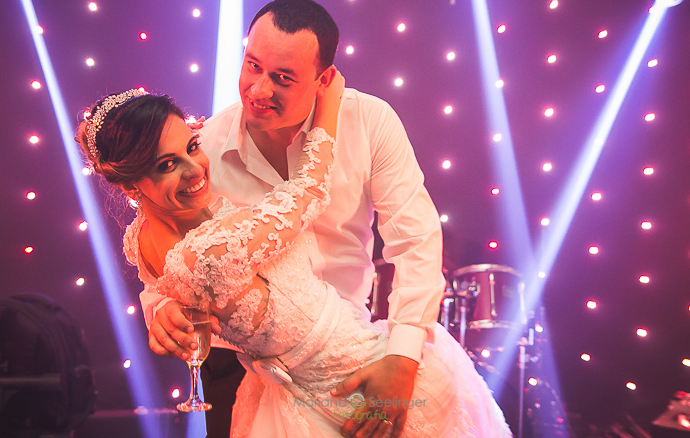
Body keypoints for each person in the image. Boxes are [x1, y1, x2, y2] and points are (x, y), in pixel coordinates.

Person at [76, 83, 513, 437]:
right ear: (131, 187)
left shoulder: (139, 237)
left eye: (191, 146)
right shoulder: (211, 248)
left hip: (353, 363)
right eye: (167, 165)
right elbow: (309, 191)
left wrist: (404, 356)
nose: (194, 169)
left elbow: (161, 280)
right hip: (334, 381)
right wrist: (330, 105)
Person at [141, 0, 452, 438]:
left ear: (324, 80)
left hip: (347, 357)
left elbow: (415, 240)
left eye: (282, 78)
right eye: (252, 66)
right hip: (238, 366)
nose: (258, 90)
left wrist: (402, 358)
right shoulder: (204, 146)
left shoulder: (369, 121)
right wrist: (161, 306)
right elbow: (168, 238)